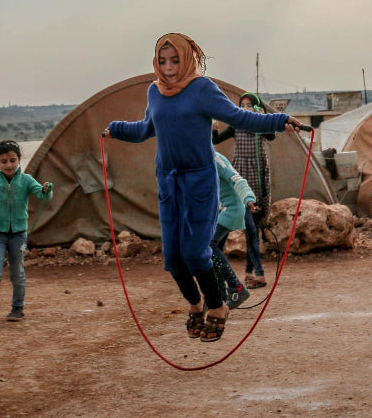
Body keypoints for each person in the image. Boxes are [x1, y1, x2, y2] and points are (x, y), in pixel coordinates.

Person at [104, 33, 304, 343]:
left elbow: (238, 118)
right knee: (172, 258)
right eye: (162, 61)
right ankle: (195, 305)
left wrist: (277, 121)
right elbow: (145, 129)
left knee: (196, 254)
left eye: (175, 60)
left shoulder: (202, 89)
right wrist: (115, 129)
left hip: (199, 181)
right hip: (168, 182)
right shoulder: (155, 92)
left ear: (187, 59)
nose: (169, 67)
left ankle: (218, 306)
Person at [0, 140, 53, 333]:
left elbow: (43, 196)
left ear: (19, 160)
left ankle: (17, 308)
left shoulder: (26, 180)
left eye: (12, 160)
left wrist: (47, 189)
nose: (9, 165)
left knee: (17, 272)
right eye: (4, 161)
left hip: (19, 235)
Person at [211, 92, 274, 289]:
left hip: (256, 180)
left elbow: (271, 135)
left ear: (255, 108)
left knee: (252, 231)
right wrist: (214, 129)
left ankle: (252, 274)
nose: (245, 108)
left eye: (249, 105)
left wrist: (262, 117)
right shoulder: (236, 126)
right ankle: (249, 274)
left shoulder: (259, 126)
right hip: (240, 178)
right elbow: (215, 142)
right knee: (249, 230)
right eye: (242, 105)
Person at [210, 150, 255, 308]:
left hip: (232, 209)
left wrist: (248, 198)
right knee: (213, 253)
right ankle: (219, 297)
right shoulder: (199, 161)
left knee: (209, 245)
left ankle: (236, 287)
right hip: (221, 211)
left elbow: (237, 179)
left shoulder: (215, 158)